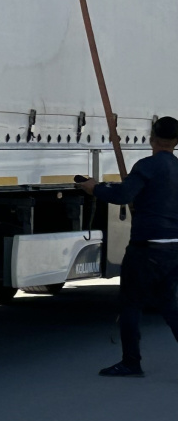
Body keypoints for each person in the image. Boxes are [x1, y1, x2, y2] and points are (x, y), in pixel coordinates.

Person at [77, 115, 178, 376]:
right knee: (169, 306)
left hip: (146, 248)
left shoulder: (147, 166)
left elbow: (122, 195)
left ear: (152, 139)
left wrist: (94, 188)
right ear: (176, 142)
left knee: (131, 304)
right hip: (173, 248)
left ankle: (131, 362)